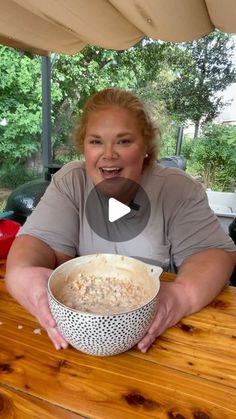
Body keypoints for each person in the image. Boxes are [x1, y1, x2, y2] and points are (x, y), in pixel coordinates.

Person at [6, 88, 236, 353]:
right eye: (96, 142)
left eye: (124, 141)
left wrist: (181, 296)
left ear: (146, 147)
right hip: (75, 345)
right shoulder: (72, 182)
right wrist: (23, 276)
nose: (109, 154)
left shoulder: (178, 189)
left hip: (161, 343)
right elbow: (38, 243)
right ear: (83, 146)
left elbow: (214, 254)